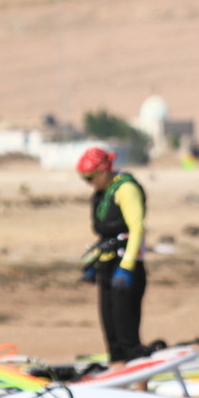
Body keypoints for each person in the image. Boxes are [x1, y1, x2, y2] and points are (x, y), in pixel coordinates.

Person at [77, 146, 148, 366]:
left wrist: (127, 266)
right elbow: (106, 235)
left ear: (104, 170)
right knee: (112, 336)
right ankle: (119, 378)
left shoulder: (126, 189)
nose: (88, 183)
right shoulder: (102, 192)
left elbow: (137, 229)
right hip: (107, 266)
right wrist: (92, 264)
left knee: (127, 335)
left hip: (126, 267)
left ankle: (140, 382)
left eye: (90, 177)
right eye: (84, 178)